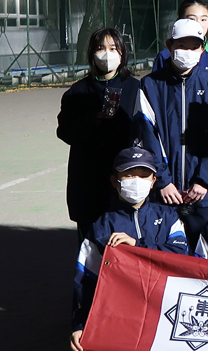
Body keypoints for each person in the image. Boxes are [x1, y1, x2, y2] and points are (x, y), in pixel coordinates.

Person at [71, 148, 187, 351]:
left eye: (144, 175)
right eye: (129, 175)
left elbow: (182, 258)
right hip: (121, 312)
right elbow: (85, 280)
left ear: (154, 181)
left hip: (163, 306)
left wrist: (138, 246)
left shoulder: (169, 217)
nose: (137, 181)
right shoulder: (101, 226)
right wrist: (80, 325)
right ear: (115, 181)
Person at [138, 18, 208, 246]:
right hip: (164, 194)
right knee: (164, 255)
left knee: (207, 256)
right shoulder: (149, 85)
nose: (188, 52)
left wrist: (204, 181)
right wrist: (163, 181)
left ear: (202, 49)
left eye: (194, 47)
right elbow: (147, 137)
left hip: (204, 195)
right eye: (182, 45)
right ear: (169, 46)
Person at [57, 27, 144, 241]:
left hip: (124, 181)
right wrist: (88, 122)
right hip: (88, 184)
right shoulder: (77, 92)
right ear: (91, 53)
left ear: (123, 52)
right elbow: (64, 131)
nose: (107, 54)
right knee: (90, 246)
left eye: (113, 48)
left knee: (122, 244)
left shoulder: (137, 89)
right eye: (100, 48)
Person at [151, 0, 208, 77]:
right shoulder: (164, 56)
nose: (198, 24)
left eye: (203, 19)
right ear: (179, 21)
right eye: (191, 19)